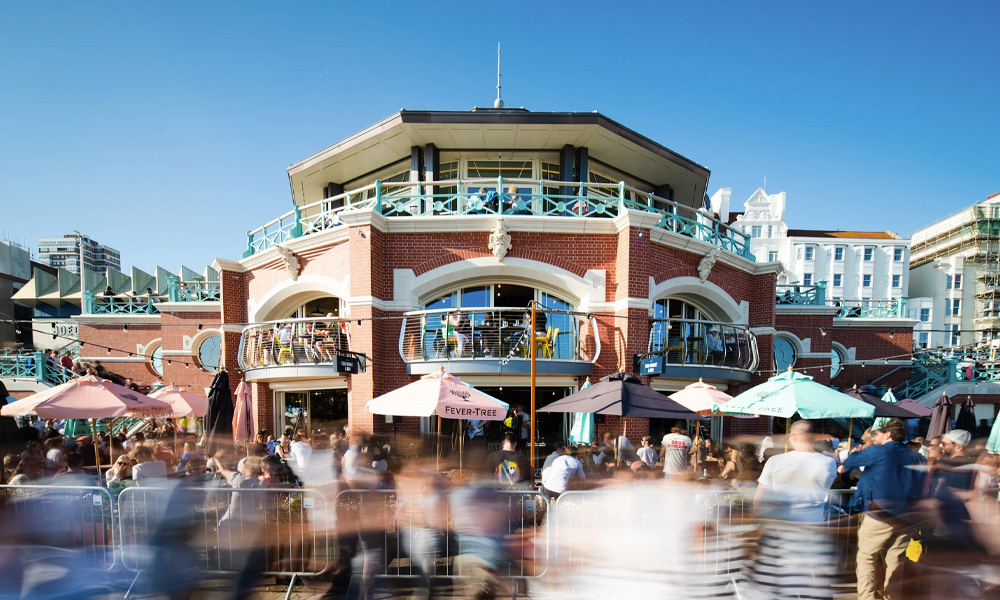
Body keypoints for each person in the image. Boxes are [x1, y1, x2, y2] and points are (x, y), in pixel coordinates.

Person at [840, 418, 924, 600]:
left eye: (876, 433)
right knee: (896, 562)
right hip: (906, 515)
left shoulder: (879, 451)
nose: (874, 436)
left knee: (866, 559)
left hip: (879, 513)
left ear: (887, 434)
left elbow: (850, 461)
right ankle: (891, 597)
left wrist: (863, 444)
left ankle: (867, 597)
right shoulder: (917, 457)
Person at [754, 420, 838, 522]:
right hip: (814, 523)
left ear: (793, 436)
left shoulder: (774, 461)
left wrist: (757, 519)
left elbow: (760, 496)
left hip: (781, 523)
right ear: (815, 436)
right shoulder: (829, 463)